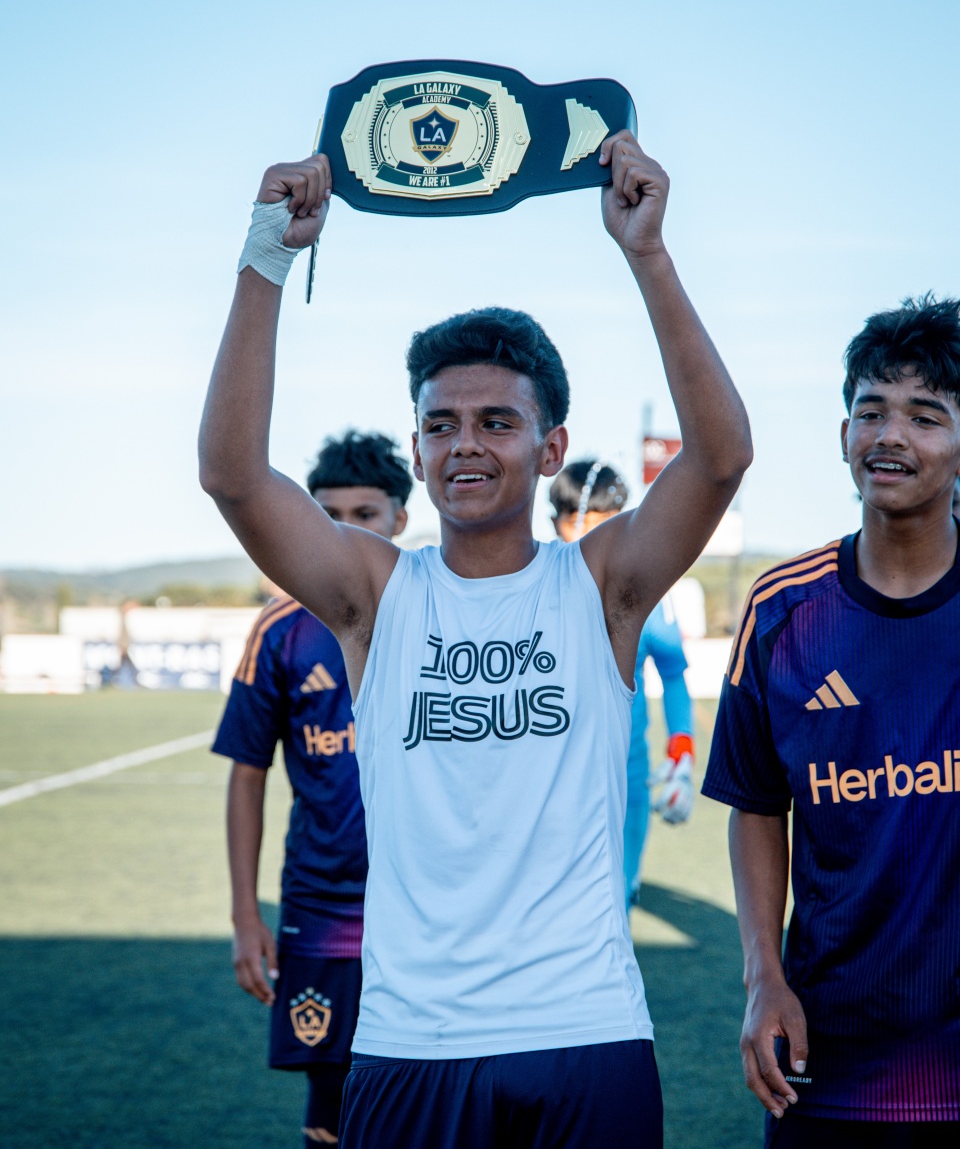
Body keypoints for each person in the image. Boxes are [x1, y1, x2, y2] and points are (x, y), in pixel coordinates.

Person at [199, 129, 752, 1148]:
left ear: (549, 449)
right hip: (411, 1043)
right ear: (416, 451)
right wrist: (267, 254)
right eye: (441, 424)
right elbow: (234, 478)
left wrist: (648, 256)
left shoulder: (600, 586)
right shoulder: (376, 594)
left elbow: (720, 460)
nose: (465, 444)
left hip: (585, 1033)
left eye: (497, 422)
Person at [702, 295, 960, 1147]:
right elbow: (756, 804)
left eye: (926, 416)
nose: (891, 436)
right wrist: (762, 977)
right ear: (843, 433)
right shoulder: (784, 610)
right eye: (871, 411)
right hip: (830, 1054)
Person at [210, 431, 412, 1148]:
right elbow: (247, 772)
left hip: (428, 906)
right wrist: (245, 914)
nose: (346, 532)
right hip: (323, 907)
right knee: (331, 1094)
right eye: (329, 516)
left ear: (400, 520)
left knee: (428, 1088)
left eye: (366, 514)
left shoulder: (433, 611)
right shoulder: (281, 630)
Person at [548, 459, 696, 904]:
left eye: (599, 523)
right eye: (573, 522)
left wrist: (682, 751)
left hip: (624, 773)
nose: (584, 535)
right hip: (549, 778)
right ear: (554, 522)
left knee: (617, 897)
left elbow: (673, 674)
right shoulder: (536, 585)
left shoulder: (644, 589)